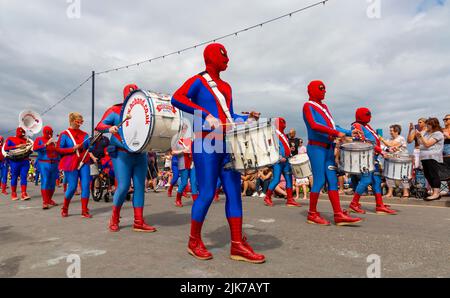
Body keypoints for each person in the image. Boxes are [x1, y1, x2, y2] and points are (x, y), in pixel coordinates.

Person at [172, 43, 265, 263]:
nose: (228, 60)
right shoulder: (198, 80)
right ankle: (193, 241)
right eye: (224, 56)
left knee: (234, 193)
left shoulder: (228, 87)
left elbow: (229, 114)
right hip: (205, 142)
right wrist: (204, 115)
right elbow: (177, 98)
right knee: (205, 193)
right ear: (211, 57)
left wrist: (246, 120)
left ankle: (236, 245)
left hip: (226, 142)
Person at [96, 84, 156, 233]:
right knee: (123, 186)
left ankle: (139, 221)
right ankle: (114, 218)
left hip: (140, 153)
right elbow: (99, 125)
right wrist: (109, 128)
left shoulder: (144, 110)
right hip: (121, 153)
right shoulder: (115, 110)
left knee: (140, 187)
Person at [302, 80, 362, 226]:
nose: (324, 91)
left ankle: (338, 214)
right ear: (312, 90)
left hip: (328, 147)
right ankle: (311, 213)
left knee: (333, 180)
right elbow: (314, 125)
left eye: (324, 89)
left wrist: (349, 131)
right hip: (316, 148)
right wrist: (337, 132)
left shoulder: (324, 107)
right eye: (321, 89)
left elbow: (333, 125)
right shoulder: (308, 106)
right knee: (320, 180)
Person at [348, 107, 396, 214]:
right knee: (366, 180)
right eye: (368, 114)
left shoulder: (366, 126)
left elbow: (375, 142)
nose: (370, 117)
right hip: (364, 158)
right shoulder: (356, 126)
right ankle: (354, 204)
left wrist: (387, 149)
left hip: (372, 157)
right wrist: (383, 151)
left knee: (376, 181)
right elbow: (365, 142)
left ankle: (379, 205)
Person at [57, 112, 96, 218]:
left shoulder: (85, 134)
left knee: (85, 186)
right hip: (70, 162)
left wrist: (92, 145)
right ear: (72, 120)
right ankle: (65, 207)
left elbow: (90, 148)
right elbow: (59, 149)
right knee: (73, 186)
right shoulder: (64, 134)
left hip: (84, 161)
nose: (79, 124)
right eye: (77, 121)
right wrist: (72, 149)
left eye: (81, 122)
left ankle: (84, 210)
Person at [264, 118, 301, 207]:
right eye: (283, 122)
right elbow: (271, 147)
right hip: (278, 161)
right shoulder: (274, 133)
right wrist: (280, 157)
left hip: (287, 160)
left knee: (289, 179)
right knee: (276, 179)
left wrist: (289, 150)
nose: (284, 124)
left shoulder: (283, 134)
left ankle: (290, 199)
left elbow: (283, 145)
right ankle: (267, 197)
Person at [417, 118, 445, 201]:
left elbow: (427, 144)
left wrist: (421, 138)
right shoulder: (426, 133)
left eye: (428, 124)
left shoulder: (438, 134)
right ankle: (434, 192)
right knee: (427, 175)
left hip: (433, 157)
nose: (426, 126)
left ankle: (436, 193)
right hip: (424, 157)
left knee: (433, 174)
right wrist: (420, 136)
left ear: (433, 125)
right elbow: (420, 144)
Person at [380, 124, 410, 198]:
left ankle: (405, 192)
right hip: (392, 160)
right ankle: (390, 193)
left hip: (402, 160)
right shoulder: (389, 139)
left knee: (404, 176)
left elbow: (391, 145)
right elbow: (384, 147)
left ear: (397, 131)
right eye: (390, 131)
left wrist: (381, 139)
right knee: (389, 176)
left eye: (392, 131)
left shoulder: (401, 139)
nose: (390, 132)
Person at [33, 126, 60, 209]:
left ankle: (49, 200)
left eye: (51, 132)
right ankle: (45, 201)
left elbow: (60, 151)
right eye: (48, 132)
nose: (49, 133)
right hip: (44, 163)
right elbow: (35, 148)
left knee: (52, 183)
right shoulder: (39, 139)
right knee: (45, 181)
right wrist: (46, 144)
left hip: (55, 164)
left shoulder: (54, 141)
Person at [4, 127, 31, 201]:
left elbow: (31, 149)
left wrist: (28, 145)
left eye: (23, 133)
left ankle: (24, 193)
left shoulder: (26, 140)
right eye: (21, 132)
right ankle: (14, 193)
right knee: (14, 177)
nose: (22, 134)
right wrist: (16, 146)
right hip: (15, 161)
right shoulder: (10, 138)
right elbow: (6, 148)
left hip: (25, 160)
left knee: (24, 177)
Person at [172, 135, 198, 207]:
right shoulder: (178, 141)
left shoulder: (191, 141)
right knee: (184, 182)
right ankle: (178, 200)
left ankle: (195, 201)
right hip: (183, 163)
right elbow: (173, 152)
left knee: (194, 182)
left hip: (192, 163)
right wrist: (183, 150)